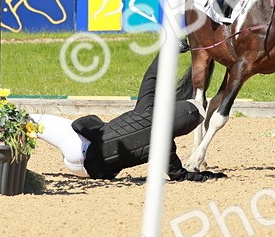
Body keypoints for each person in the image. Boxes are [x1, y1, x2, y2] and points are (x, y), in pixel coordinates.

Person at [33, 51, 226, 182]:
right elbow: (179, 175)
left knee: (32, 121)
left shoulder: (147, 109)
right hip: (92, 172)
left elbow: (151, 77)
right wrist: (207, 176)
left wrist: (169, 50)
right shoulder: (166, 146)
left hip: (79, 145)